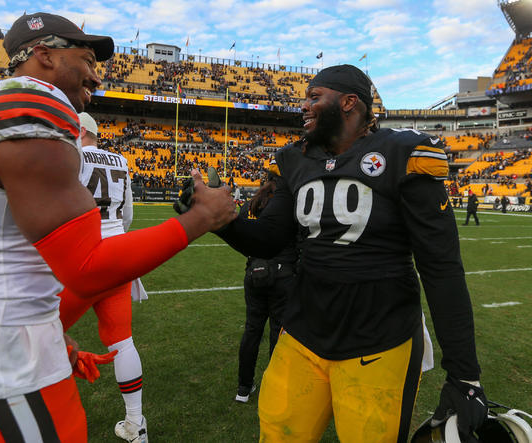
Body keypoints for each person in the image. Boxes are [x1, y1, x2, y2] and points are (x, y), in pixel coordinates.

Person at [0, 12, 236, 443]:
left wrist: (48, 331)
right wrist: (202, 218)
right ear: (44, 55)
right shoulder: (32, 105)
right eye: (88, 59)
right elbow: (87, 267)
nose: (96, 75)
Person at [209, 65, 486, 442]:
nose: (303, 106)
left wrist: (464, 375)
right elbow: (271, 239)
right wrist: (222, 222)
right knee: (277, 434)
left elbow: (442, 269)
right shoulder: (296, 158)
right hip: (304, 331)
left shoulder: (402, 152)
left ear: (348, 102)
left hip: (379, 339)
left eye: (314, 97)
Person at [58, 112, 148, 443]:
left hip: (82, 256)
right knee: (123, 341)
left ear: (78, 131)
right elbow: (128, 214)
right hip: (115, 253)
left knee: (39, 331)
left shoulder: (71, 155)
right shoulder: (119, 160)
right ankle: (135, 424)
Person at [235, 171, 296, 403]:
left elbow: (240, 230)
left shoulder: (254, 202)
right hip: (283, 274)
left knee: (252, 330)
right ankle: (275, 388)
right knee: (278, 333)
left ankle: (243, 388)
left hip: (255, 272)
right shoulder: (288, 203)